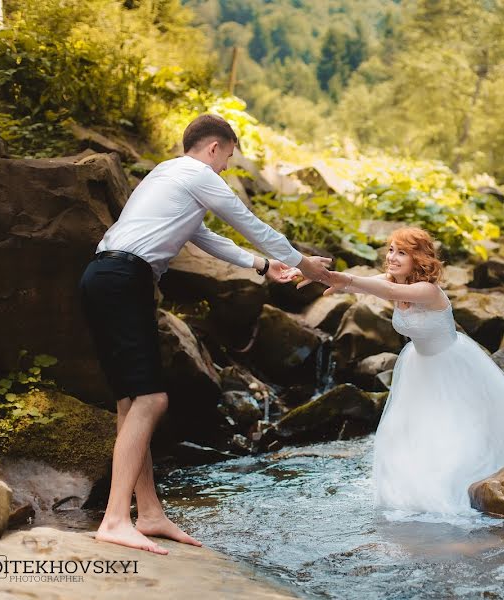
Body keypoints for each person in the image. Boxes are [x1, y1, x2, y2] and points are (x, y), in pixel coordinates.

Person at [78, 114, 331, 554]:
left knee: (131, 401)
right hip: (123, 279)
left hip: (107, 276)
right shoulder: (197, 172)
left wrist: (263, 265)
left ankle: (149, 512)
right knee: (153, 400)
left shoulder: (168, 175)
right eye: (228, 157)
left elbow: (204, 236)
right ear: (213, 147)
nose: (227, 169)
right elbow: (247, 221)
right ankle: (116, 518)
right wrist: (304, 262)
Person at [304, 227, 504, 514]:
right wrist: (317, 274)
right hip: (419, 365)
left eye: (402, 252)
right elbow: (361, 285)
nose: (392, 257)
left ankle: (479, 485)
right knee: (414, 430)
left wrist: (349, 280)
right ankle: (417, 480)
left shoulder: (428, 291)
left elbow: (385, 290)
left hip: (451, 364)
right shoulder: (395, 280)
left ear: (419, 259)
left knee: (460, 429)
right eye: (390, 249)